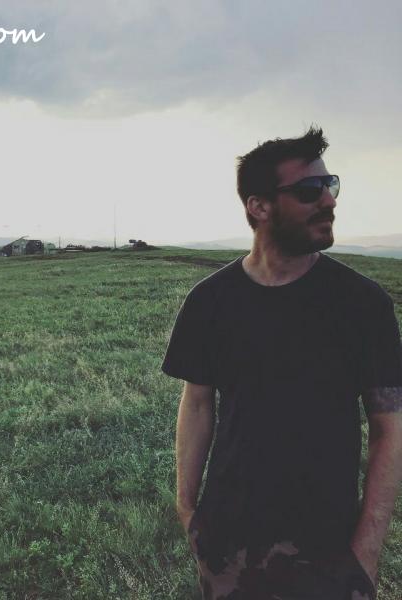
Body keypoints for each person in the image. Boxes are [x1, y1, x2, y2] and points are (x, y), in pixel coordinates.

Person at [161, 126, 402, 600]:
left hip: (327, 547)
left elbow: (389, 428)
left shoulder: (362, 305)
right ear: (260, 206)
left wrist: (365, 555)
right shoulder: (210, 302)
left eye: (330, 186)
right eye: (310, 190)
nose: (329, 201)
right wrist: (188, 510)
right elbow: (197, 405)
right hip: (228, 545)